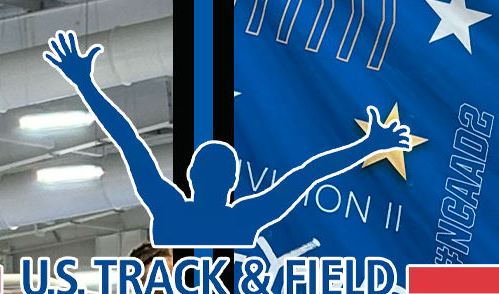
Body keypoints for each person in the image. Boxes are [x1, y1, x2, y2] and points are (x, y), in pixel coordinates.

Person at [42, 30, 411, 248]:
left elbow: (128, 141)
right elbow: (309, 174)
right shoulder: (246, 218)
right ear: (233, 181)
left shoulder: (169, 207)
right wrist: (368, 146)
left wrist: (85, 84)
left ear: (191, 176)